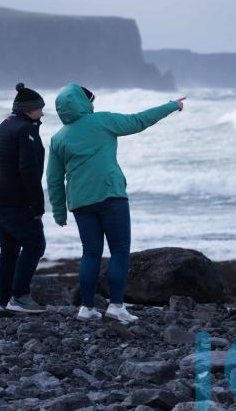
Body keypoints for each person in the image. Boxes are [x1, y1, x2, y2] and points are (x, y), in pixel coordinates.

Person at [47, 84, 185, 323]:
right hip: (111, 195)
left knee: (90, 253)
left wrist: (59, 212)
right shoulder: (102, 121)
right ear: (83, 103)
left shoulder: (58, 138)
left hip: (80, 201)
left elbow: (53, 179)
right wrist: (172, 106)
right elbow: (139, 120)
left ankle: (86, 308)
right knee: (119, 252)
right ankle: (116, 306)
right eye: (90, 101)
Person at [0, 83, 47, 314]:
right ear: (30, 110)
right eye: (40, 109)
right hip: (15, 198)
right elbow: (28, 169)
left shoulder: (3, 126)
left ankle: (4, 299)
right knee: (35, 243)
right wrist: (38, 205)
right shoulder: (25, 129)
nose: (43, 114)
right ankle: (20, 297)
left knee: (9, 250)